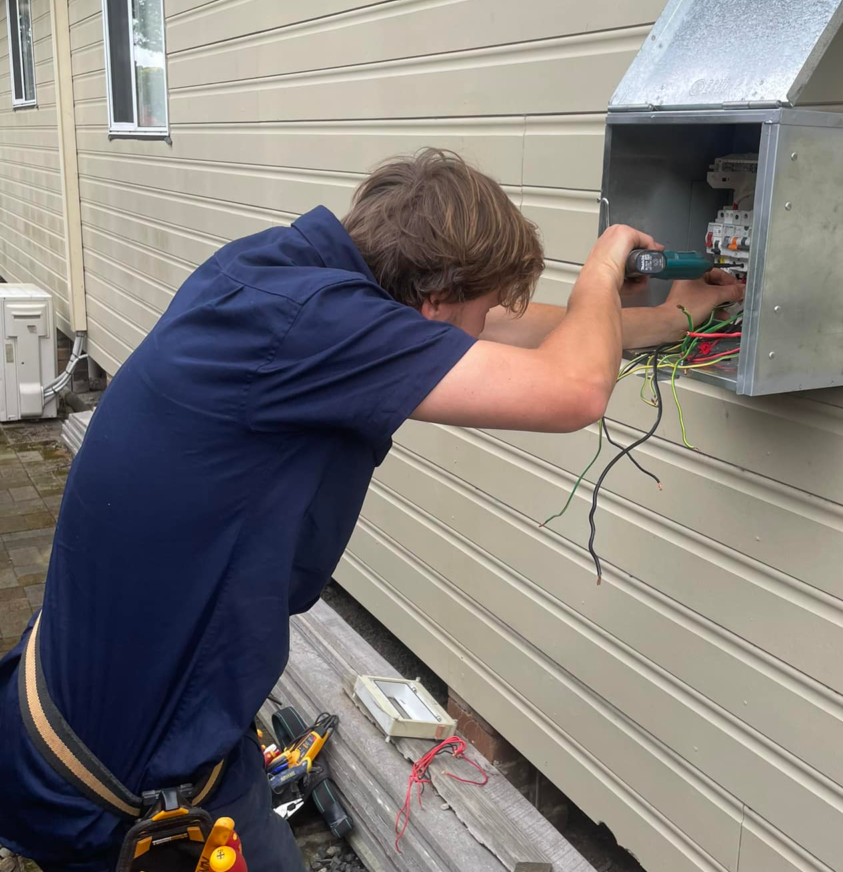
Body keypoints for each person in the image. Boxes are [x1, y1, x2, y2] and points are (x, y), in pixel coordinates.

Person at [0, 149, 742, 870]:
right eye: (481, 305)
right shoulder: (314, 329)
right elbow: (573, 390)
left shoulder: (281, 279)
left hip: (109, 704)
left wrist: (673, 319)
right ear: (433, 300)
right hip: (125, 785)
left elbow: (503, 334)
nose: (485, 324)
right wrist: (603, 268)